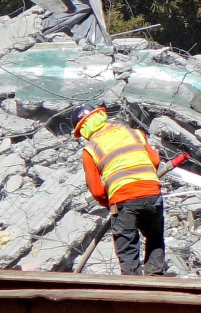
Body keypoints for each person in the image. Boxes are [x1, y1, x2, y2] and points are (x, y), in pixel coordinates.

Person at [71, 104, 165, 275]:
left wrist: (111, 203)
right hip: (152, 193)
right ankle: (157, 283)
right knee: (155, 238)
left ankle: (134, 294)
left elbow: (97, 191)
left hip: (123, 200)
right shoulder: (135, 133)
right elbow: (155, 161)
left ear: (83, 129)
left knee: (128, 251)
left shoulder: (90, 149)